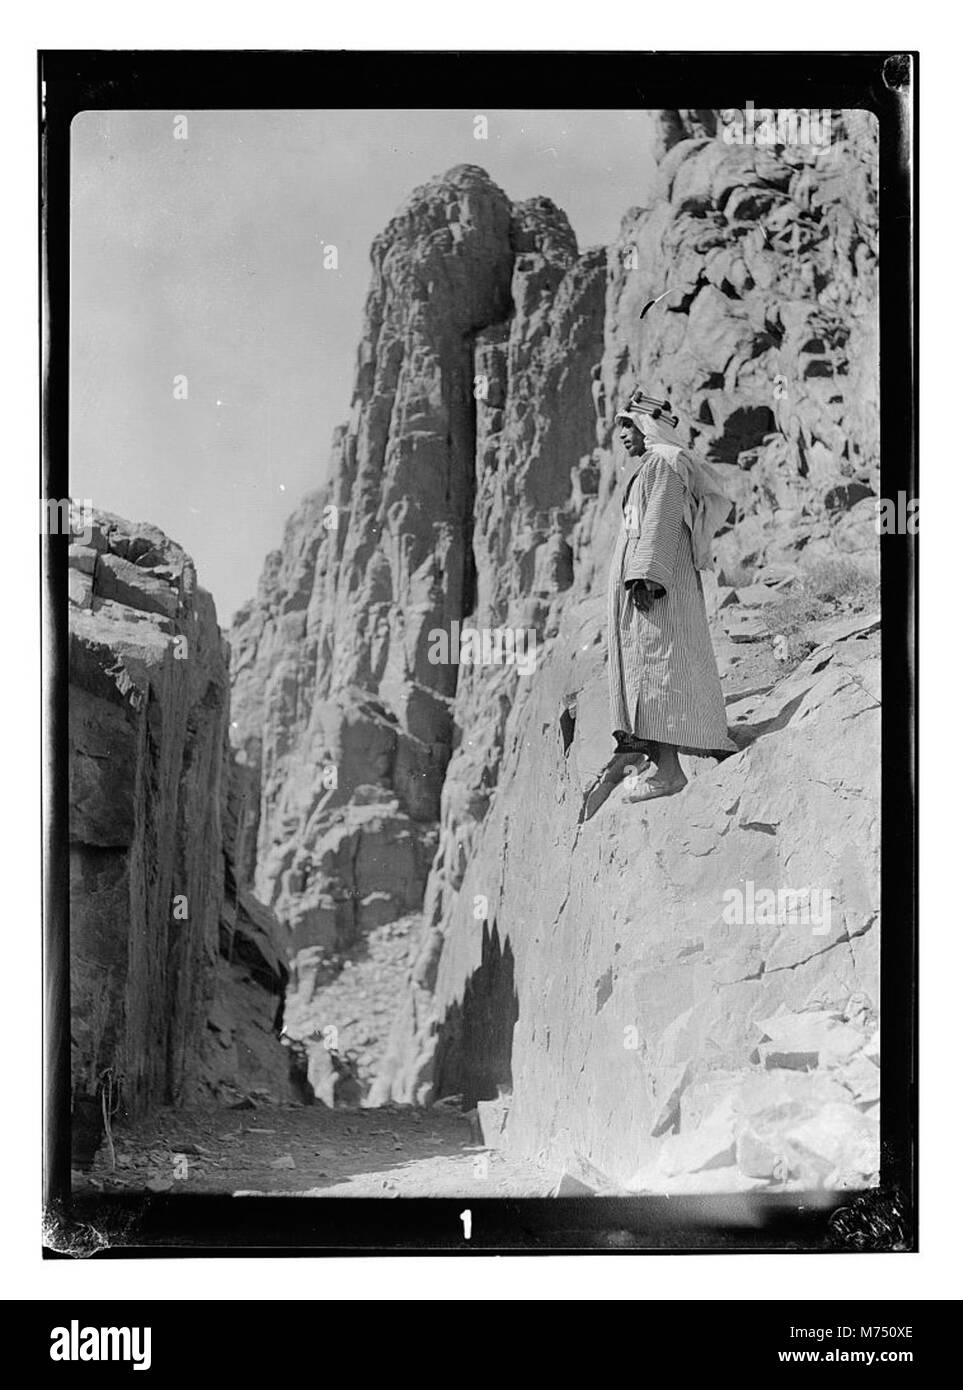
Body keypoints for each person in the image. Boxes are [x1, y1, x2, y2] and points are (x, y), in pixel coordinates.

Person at [604, 388, 733, 803]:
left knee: (658, 671)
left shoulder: (663, 464)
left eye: (629, 423)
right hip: (646, 587)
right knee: (655, 670)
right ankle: (674, 760)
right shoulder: (649, 467)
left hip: (656, 588)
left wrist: (645, 578)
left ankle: (670, 773)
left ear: (647, 424)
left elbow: (659, 522)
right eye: (619, 426)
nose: (622, 433)